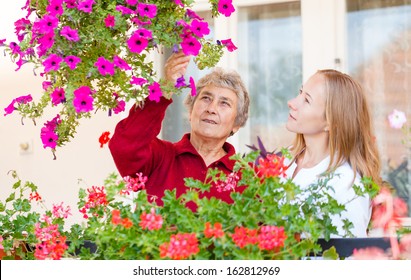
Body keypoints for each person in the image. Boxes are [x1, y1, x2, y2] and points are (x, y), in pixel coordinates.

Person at [108, 51, 250, 211]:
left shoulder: (248, 178)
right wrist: (165, 89)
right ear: (190, 112)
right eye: (205, 98)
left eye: (224, 103)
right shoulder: (159, 157)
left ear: (237, 124)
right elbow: (124, 145)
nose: (211, 109)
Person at [285, 69, 382, 237]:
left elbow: (347, 258)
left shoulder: (345, 185)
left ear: (330, 122)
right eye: (300, 93)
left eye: (307, 100)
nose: (292, 102)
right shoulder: (287, 161)